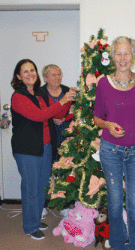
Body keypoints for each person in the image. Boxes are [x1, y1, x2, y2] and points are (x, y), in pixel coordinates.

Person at [11, 59, 76, 240]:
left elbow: (55, 115)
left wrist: (67, 101)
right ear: (18, 76)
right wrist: (62, 100)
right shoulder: (18, 97)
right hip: (27, 150)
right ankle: (30, 226)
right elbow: (39, 116)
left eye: (32, 70)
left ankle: (36, 218)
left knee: (42, 187)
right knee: (31, 188)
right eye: (25, 71)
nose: (30, 74)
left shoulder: (39, 96)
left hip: (45, 147)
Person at [93, 36, 135, 250]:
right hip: (111, 150)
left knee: (134, 204)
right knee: (115, 204)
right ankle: (117, 244)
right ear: (112, 57)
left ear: (133, 56)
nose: (123, 58)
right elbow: (97, 117)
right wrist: (107, 125)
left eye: (127, 53)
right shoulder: (104, 84)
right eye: (119, 53)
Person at [39, 64, 73, 219]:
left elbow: (76, 110)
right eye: (53, 75)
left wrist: (66, 117)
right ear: (45, 78)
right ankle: (43, 205)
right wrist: (52, 118)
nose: (57, 77)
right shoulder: (39, 93)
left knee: (65, 170)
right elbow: (38, 115)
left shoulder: (68, 91)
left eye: (59, 74)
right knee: (46, 171)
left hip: (66, 137)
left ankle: (65, 204)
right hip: (48, 137)